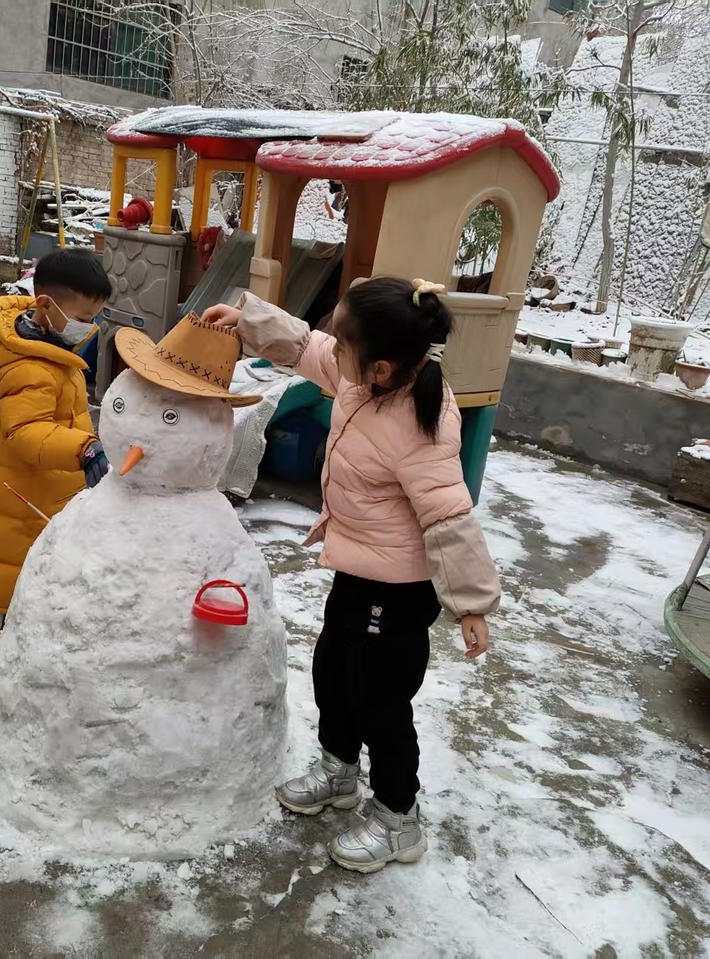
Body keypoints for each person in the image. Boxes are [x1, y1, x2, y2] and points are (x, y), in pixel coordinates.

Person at [202, 277, 501, 873]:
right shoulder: (361, 380)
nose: (333, 353)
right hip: (359, 568)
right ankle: (340, 770)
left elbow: (448, 515)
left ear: (383, 368)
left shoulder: (420, 427)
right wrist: (249, 320)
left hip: (400, 589)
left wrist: (470, 605)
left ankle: (398, 818)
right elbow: (308, 347)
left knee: (381, 699)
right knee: (334, 669)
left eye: (345, 345)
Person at [0, 248, 112, 673]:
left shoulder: (48, 347)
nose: (89, 326)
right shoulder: (28, 366)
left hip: (44, 485)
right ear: (46, 306)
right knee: (11, 570)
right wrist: (83, 448)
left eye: (96, 316)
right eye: (83, 315)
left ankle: (22, 638)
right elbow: (25, 433)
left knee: (37, 566)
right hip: (19, 492)